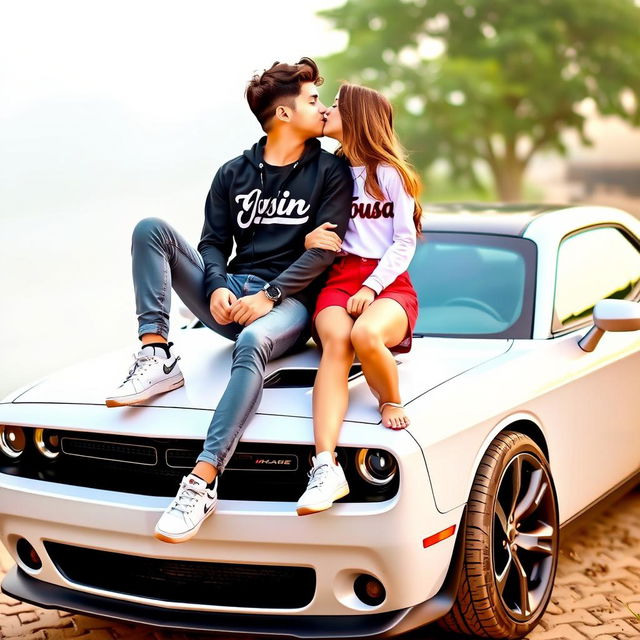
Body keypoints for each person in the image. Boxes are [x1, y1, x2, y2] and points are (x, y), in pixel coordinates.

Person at [105, 58, 353, 542]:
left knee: (251, 345)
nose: (321, 109)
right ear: (283, 115)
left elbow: (325, 252)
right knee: (151, 230)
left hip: (289, 305)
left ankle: (201, 482)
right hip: (232, 294)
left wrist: (271, 294)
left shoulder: (331, 171)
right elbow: (213, 241)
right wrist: (217, 285)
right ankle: (156, 352)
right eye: (311, 100)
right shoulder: (232, 173)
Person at [296, 83, 422, 516]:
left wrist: (371, 287)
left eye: (334, 106)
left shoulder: (388, 173)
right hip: (339, 278)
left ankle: (390, 398)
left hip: (387, 283)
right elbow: (303, 222)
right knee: (337, 341)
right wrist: (306, 238)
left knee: (367, 335)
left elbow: (405, 241)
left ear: (358, 117)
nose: (327, 111)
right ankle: (325, 465)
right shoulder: (327, 171)